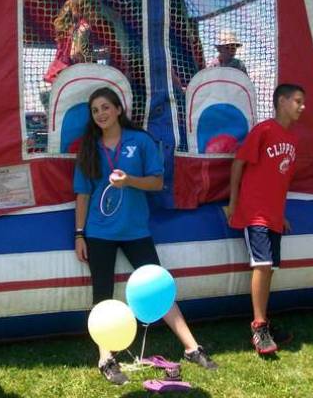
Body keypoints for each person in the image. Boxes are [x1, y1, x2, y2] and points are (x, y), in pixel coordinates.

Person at [73, 87, 218, 385]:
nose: (101, 114)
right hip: (99, 233)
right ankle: (106, 358)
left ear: (118, 109)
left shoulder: (139, 141)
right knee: (102, 294)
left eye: (105, 108)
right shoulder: (89, 147)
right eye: (95, 110)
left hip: (136, 230)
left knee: (158, 288)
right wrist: (79, 234)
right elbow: (83, 195)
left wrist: (129, 182)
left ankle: (192, 347)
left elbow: (156, 183)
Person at [227, 83, 305, 354]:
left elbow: (279, 180)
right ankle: (258, 327)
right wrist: (234, 204)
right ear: (281, 101)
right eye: (297, 101)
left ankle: (265, 324)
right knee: (262, 265)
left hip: (273, 215)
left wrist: (281, 214)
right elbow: (238, 163)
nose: (301, 107)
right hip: (254, 212)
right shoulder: (263, 130)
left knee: (270, 269)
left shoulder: (293, 139)